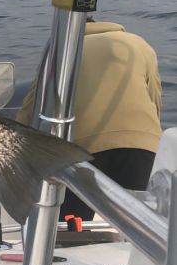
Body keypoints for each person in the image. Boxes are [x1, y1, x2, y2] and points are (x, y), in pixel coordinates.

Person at [17, 16, 162, 220]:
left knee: (74, 222)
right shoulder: (138, 44)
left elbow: (34, 103)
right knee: (133, 221)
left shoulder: (62, 51)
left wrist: (15, 146)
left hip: (82, 148)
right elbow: (154, 96)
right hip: (141, 143)